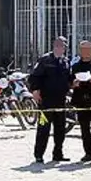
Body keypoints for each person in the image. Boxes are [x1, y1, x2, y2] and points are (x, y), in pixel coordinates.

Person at [28, 36, 73, 165]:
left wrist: (73, 84)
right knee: (43, 128)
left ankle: (58, 154)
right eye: (59, 45)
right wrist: (35, 90)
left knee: (60, 129)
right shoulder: (45, 59)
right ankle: (39, 155)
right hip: (46, 100)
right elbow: (34, 76)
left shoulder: (66, 61)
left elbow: (68, 78)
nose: (62, 48)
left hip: (60, 100)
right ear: (55, 46)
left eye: (63, 46)